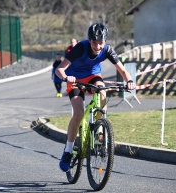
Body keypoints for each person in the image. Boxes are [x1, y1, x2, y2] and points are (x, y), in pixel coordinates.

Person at [55, 23, 136, 172]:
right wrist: (66, 77)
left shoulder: (107, 50)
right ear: (89, 40)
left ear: (105, 41)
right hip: (75, 80)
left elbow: (123, 71)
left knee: (102, 90)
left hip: (93, 77)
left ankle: (100, 131)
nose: (98, 47)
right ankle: (68, 150)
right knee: (78, 113)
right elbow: (59, 70)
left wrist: (129, 82)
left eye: (101, 43)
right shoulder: (80, 47)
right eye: (94, 42)